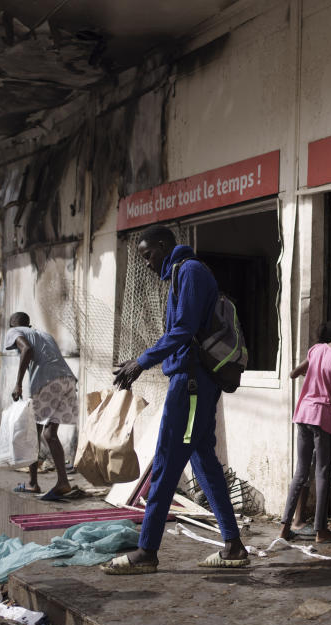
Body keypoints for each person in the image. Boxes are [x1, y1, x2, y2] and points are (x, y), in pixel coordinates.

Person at [106, 225, 247, 574]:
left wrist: (141, 361)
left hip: (192, 384)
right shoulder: (184, 274)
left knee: (167, 462)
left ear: (163, 246)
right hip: (192, 381)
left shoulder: (190, 271)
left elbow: (182, 331)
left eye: (148, 255)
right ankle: (233, 546)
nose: (148, 264)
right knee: (204, 464)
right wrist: (143, 360)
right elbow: (180, 331)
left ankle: (147, 551)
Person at [279, 316, 331, 543]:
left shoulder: (316, 350)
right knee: (322, 472)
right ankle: (321, 531)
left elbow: (297, 371)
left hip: (303, 414)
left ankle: (285, 528)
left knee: (300, 472)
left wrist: (304, 374)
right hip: (322, 418)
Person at [5, 313, 80, 499]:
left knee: (33, 433)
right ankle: (63, 481)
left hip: (47, 381)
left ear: (11, 325)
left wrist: (18, 383)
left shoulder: (14, 331)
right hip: (67, 380)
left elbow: (27, 350)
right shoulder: (44, 335)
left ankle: (32, 483)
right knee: (49, 434)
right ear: (29, 324)